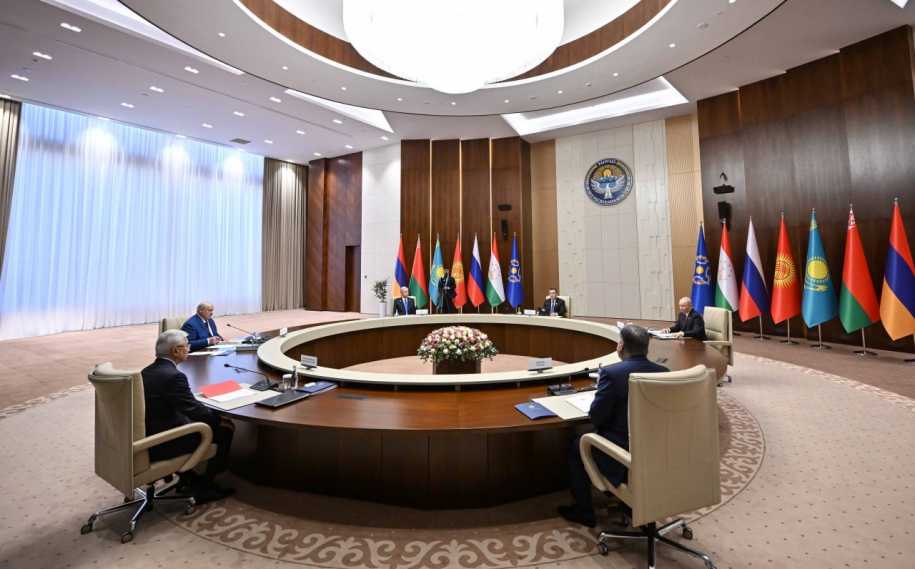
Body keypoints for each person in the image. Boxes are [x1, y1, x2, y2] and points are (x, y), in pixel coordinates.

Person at [558, 325, 669, 527]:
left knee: (577, 444)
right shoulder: (664, 373)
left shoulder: (612, 373)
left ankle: (584, 511)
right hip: (657, 452)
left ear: (621, 346)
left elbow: (596, 417)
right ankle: (627, 502)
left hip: (622, 455)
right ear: (647, 348)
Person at [142, 329, 234, 502]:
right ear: (176, 351)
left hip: (148, 433)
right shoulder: (174, 376)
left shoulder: (147, 370)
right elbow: (193, 410)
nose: (189, 348)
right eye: (186, 345)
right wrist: (218, 419)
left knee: (205, 420)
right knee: (225, 430)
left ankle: (188, 477)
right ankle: (205, 488)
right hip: (164, 441)